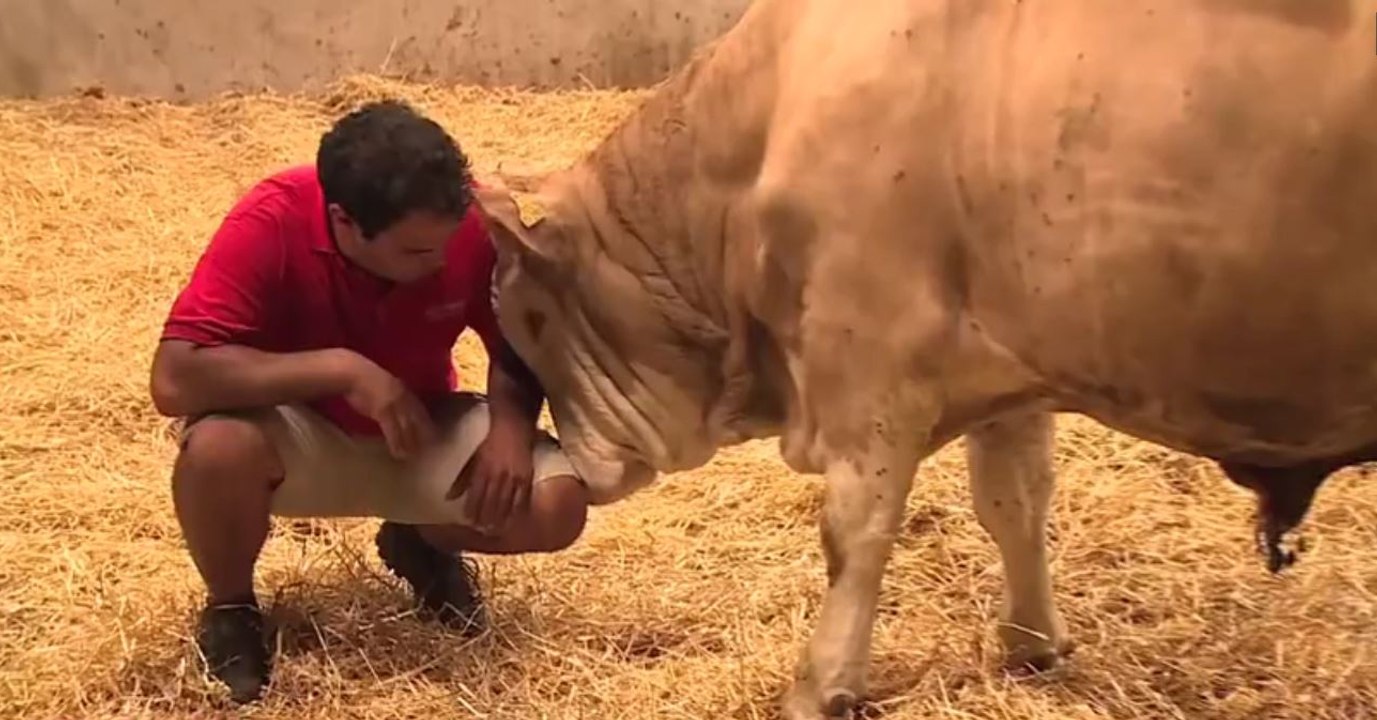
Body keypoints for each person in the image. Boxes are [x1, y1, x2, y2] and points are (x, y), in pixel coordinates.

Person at [147, 99, 590, 704]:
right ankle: (232, 608)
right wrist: (341, 370)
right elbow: (174, 379)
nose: (439, 261)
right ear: (344, 220)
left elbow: (517, 337)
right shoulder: (272, 217)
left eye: (444, 244)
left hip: (416, 426)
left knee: (555, 502)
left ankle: (420, 541)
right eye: (415, 253)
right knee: (217, 449)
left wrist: (511, 428)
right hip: (299, 430)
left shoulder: (465, 222)